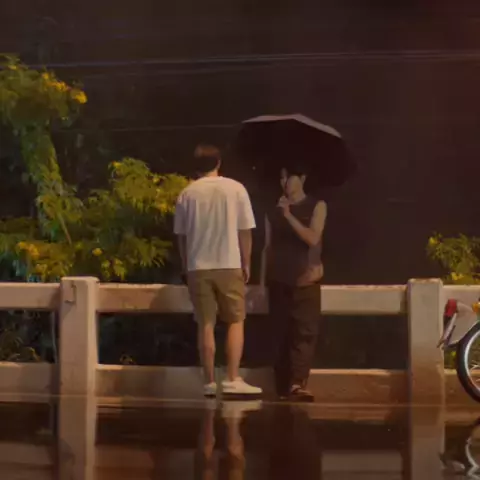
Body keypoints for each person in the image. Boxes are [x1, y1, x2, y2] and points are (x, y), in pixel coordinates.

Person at [174, 144, 262, 398]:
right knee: (235, 320)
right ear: (219, 163)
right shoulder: (235, 188)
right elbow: (244, 231)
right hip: (229, 262)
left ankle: (209, 382)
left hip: (197, 266)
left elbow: (182, 237)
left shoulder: (187, 194)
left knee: (205, 323)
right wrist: (246, 262)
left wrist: (186, 265)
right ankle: (232, 378)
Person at [260, 167, 327, 402]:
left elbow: (313, 238)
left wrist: (289, 216)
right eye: (281, 177)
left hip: (307, 280)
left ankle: (299, 384)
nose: (285, 182)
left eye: (289, 177)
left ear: (303, 178)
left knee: (305, 334)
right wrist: (261, 282)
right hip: (279, 280)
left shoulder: (317, 206)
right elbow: (267, 247)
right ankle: (283, 387)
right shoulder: (273, 210)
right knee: (280, 334)